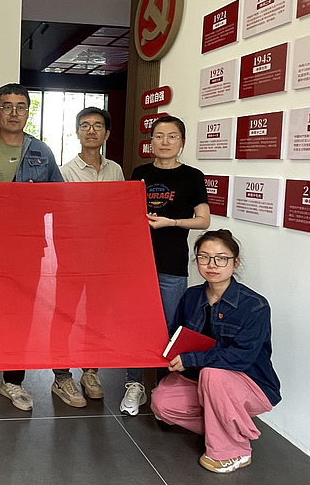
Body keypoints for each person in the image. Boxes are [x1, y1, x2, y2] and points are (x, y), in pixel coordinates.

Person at [0, 82, 63, 414]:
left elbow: (58, 199)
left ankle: (13, 381)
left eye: (20, 107)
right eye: (7, 106)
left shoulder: (42, 152)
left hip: (26, 247)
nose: (14, 113)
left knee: (21, 315)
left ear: (27, 112)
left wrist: (34, 199)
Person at [151, 229, 281, 474]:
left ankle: (234, 451)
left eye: (221, 258)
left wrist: (192, 358)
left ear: (235, 263)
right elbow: (176, 336)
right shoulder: (191, 296)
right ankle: (224, 425)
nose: (212, 264)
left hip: (251, 383)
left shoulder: (255, 305)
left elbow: (241, 358)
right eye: (204, 257)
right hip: (201, 380)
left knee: (213, 372)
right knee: (162, 404)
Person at [121, 116, 210, 415]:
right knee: (137, 325)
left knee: (168, 328)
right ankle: (134, 384)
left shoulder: (192, 176)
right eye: (159, 136)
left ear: (182, 142)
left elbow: (203, 220)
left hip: (172, 264)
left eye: (172, 136)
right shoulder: (140, 173)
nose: (165, 142)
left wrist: (171, 222)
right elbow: (127, 213)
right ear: (151, 142)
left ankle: (163, 388)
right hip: (138, 263)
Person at [51, 107, 124, 407]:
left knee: (97, 317)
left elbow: (119, 213)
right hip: (72, 257)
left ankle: (90, 371)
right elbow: (59, 216)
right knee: (64, 315)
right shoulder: (64, 172)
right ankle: (61, 376)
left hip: (104, 258)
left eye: (97, 126)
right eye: (85, 126)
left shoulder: (115, 170)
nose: (91, 131)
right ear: (77, 132)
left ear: (107, 134)